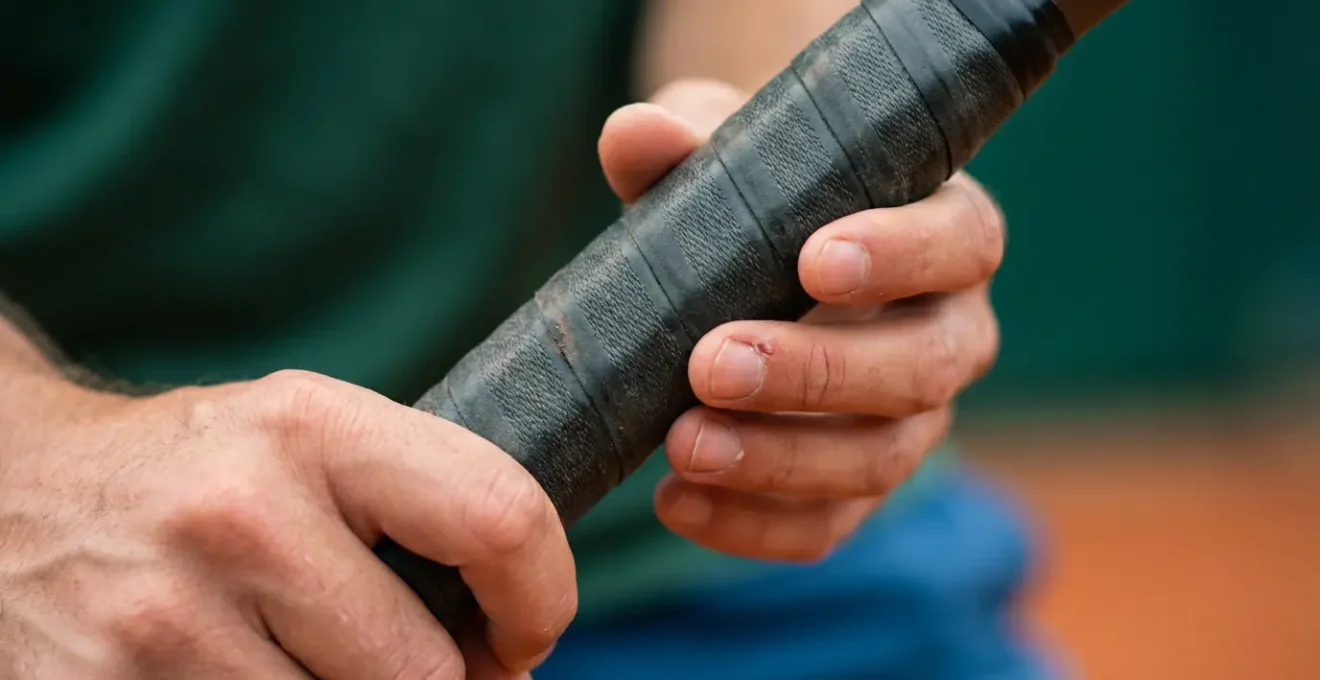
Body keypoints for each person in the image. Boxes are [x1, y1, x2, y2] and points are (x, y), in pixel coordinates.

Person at [0, 1, 1048, 678]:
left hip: (739, 565)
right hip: (94, 583)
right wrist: (33, 468)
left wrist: (802, 186)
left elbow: (752, 47)